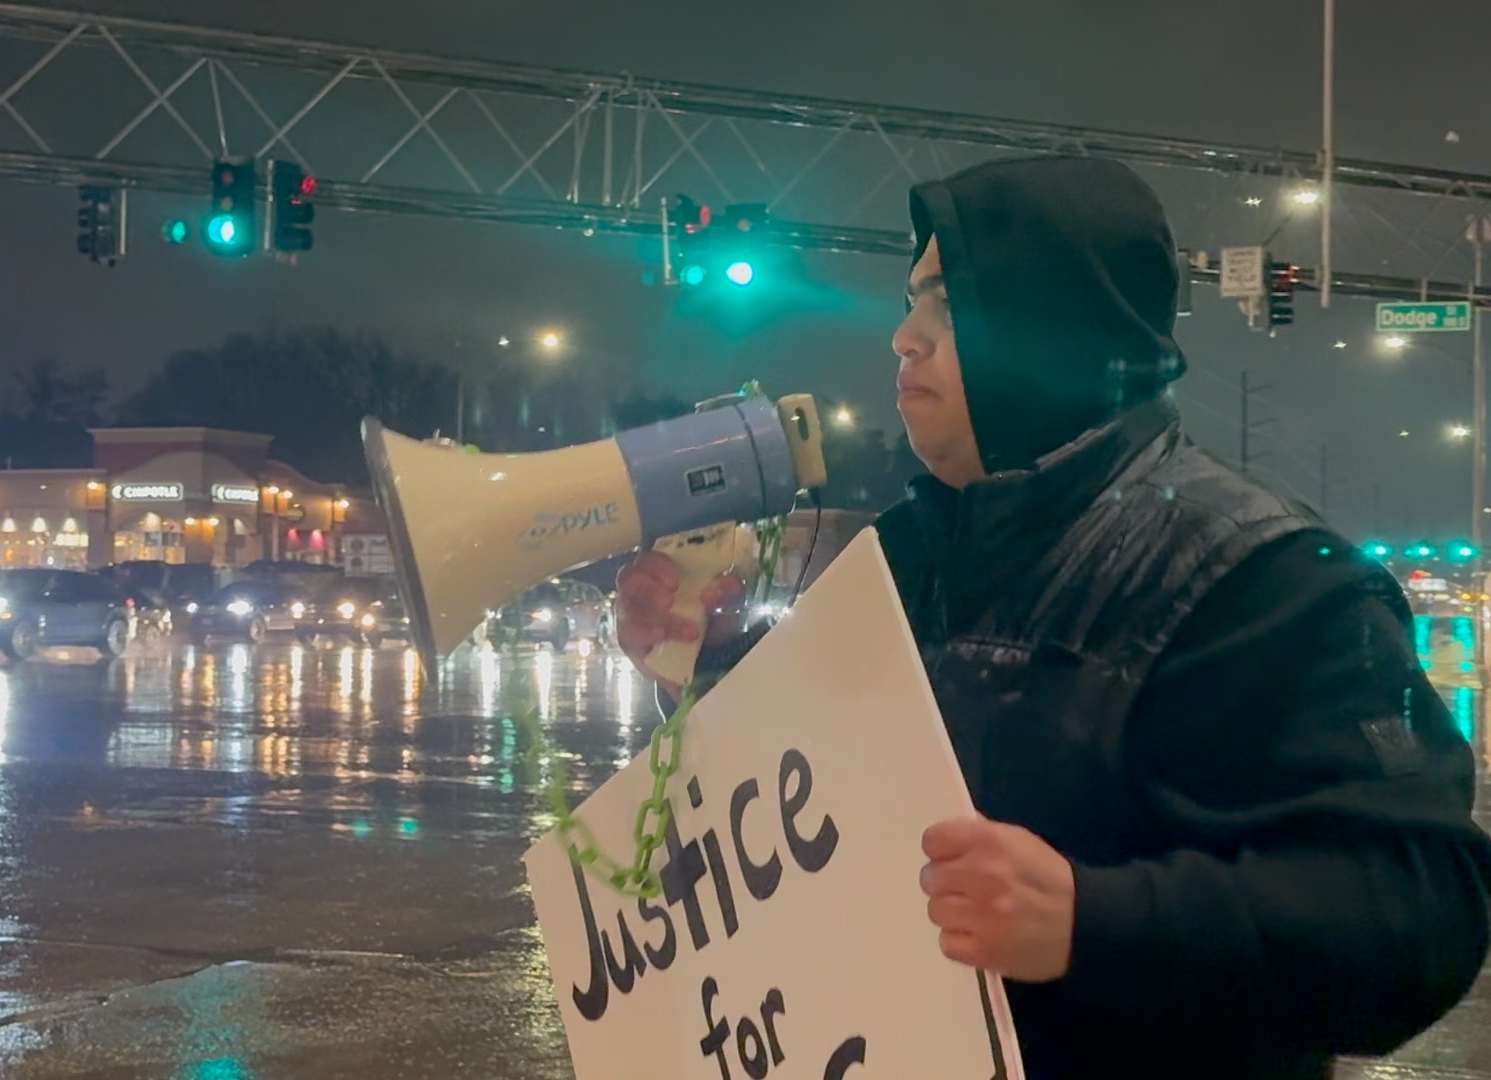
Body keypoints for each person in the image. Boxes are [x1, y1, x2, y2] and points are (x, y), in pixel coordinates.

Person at [615, 154, 1491, 1079]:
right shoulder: (904, 555)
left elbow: (1418, 913)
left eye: (947, 305)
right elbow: (804, 824)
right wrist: (708, 667)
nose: (902, 339)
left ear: (1058, 329)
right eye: (912, 301)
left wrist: (1089, 920)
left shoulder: (1261, 579)